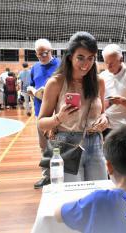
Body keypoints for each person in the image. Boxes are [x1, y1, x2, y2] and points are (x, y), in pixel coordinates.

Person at [38, 31, 108, 182]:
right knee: (74, 196)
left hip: (95, 143)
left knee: (98, 193)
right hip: (66, 143)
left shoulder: (99, 82)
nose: (86, 64)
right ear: (70, 57)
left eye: (91, 58)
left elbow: (102, 112)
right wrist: (59, 118)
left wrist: (104, 118)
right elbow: (41, 122)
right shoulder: (56, 83)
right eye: (80, 58)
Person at [29, 39, 61, 189]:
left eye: (45, 53)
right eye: (39, 53)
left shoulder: (61, 65)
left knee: (60, 145)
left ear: (51, 51)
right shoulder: (34, 68)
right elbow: (30, 85)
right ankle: (47, 176)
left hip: (59, 113)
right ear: (36, 53)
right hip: (40, 112)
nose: (43, 56)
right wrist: (33, 91)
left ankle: (64, 175)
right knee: (44, 147)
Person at [99, 44, 126, 138]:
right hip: (104, 126)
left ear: (121, 60)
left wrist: (122, 101)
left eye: (112, 63)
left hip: (123, 128)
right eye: (106, 63)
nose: (108, 67)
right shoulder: (102, 76)